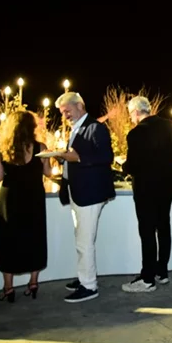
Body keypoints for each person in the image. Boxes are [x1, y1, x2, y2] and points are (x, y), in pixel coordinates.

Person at [53, 92, 115, 303]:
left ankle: (89, 286)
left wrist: (77, 157)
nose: (65, 116)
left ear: (80, 105)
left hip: (90, 193)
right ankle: (84, 278)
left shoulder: (95, 127)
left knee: (85, 241)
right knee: (82, 239)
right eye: (62, 113)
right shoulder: (77, 128)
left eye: (67, 111)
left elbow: (107, 157)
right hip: (77, 192)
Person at [120, 96, 172, 291]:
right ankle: (161, 271)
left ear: (137, 112)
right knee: (164, 227)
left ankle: (147, 278)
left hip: (146, 188)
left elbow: (133, 165)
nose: (131, 118)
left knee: (147, 231)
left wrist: (123, 165)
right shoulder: (169, 125)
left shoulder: (136, 133)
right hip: (166, 185)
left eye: (131, 114)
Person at [0, 111, 52, 302]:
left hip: (10, 198)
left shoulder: (2, 149)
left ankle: (8, 288)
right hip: (33, 197)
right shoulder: (41, 147)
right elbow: (48, 173)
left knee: (8, 239)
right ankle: (33, 282)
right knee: (34, 236)